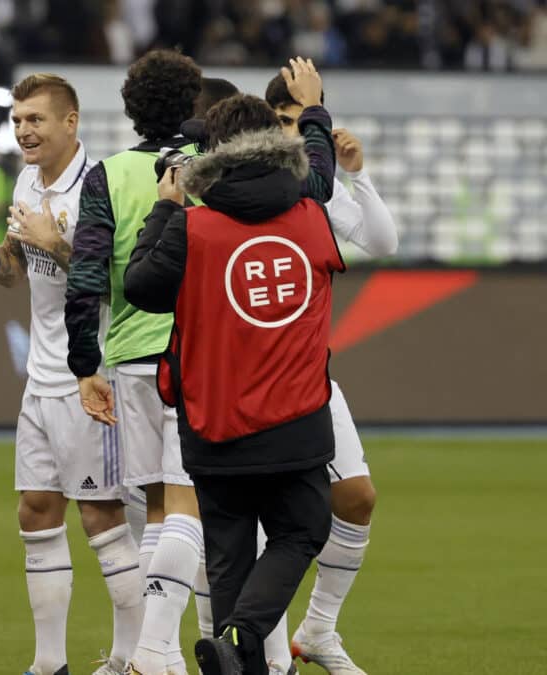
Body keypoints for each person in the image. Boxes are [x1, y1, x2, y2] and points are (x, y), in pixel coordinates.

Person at [121, 80, 342, 675]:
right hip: (296, 420)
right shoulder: (310, 218)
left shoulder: (193, 228)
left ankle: (233, 646)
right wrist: (316, 112)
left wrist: (168, 204)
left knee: (227, 559)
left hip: (212, 422)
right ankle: (244, 635)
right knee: (303, 530)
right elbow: (320, 173)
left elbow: (140, 287)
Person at [0, 73, 142, 675]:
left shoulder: (102, 186)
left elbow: (126, 284)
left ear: (70, 123)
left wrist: (65, 244)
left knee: (101, 518)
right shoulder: (26, 179)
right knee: (36, 511)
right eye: (19, 120)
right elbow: (12, 271)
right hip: (40, 378)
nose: (24, 131)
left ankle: (133, 659)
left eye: (36, 120)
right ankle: (50, 664)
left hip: (92, 374)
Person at [64, 49, 206, 675]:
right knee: (195, 511)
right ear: (193, 107)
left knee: (156, 511)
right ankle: (157, 653)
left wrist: (83, 362)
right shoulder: (212, 170)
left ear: (130, 109)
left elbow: (87, 272)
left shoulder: (107, 175)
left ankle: (165, 658)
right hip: (200, 359)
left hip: (129, 361)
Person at [267, 72, 398, 675]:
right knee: (256, 524)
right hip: (248, 380)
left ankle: (317, 629)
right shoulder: (248, 184)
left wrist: (356, 174)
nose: (300, 130)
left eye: (307, 118)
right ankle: (256, 654)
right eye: (293, 118)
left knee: (357, 497)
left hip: (310, 375)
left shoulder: (316, 191)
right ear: (269, 121)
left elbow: (382, 241)